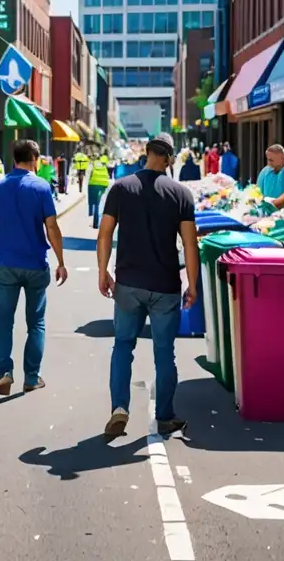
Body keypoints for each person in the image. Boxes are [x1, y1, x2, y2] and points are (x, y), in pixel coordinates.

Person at [96, 133, 197, 438]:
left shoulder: (122, 187)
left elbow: (104, 234)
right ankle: (164, 416)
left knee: (123, 347)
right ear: (168, 159)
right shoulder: (181, 194)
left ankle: (119, 408)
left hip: (128, 283)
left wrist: (103, 271)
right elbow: (190, 244)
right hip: (165, 285)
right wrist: (192, 284)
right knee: (165, 353)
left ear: (146, 153)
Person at [0, 139, 68, 395]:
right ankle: (31, 377)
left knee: (4, 323)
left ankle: (4, 373)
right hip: (35, 265)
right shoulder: (41, 187)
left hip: (6, 265)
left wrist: (1, 232)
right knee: (36, 323)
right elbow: (51, 228)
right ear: (34, 159)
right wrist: (61, 262)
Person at [87, 153, 112, 229]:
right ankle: (98, 223)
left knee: (94, 203)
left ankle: (93, 219)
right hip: (103, 185)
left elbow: (89, 173)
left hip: (93, 184)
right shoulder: (104, 164)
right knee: (99, 203)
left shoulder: (93, 164)